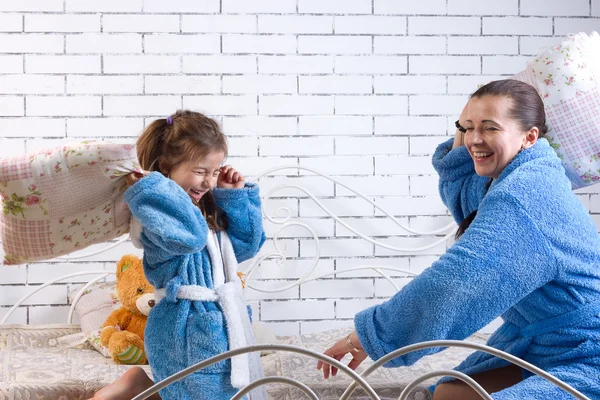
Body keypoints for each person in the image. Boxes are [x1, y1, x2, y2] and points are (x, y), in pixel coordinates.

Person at [317, 79, 600, 399]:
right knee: (449, 394)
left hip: (587, 353)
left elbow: (456, 284)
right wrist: (476, 120)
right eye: (466, 126)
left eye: (490, 128)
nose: (474, 140)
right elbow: (461, 185)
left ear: (529, 136)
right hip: (540, 345)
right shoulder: (513, 177)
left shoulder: (526, 199)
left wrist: (368, 336)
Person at [90, 110, 267, 400]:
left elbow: (247, 246)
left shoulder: (207, 211)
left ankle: (140, 386)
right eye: (200, 171)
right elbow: (189, 238)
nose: (208, 182)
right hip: (184, 331)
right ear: (165, 167)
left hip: (223, 327)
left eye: (214, 171)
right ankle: (138, 386)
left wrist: (232, 197)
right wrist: (155, 188)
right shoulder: (158, 215)